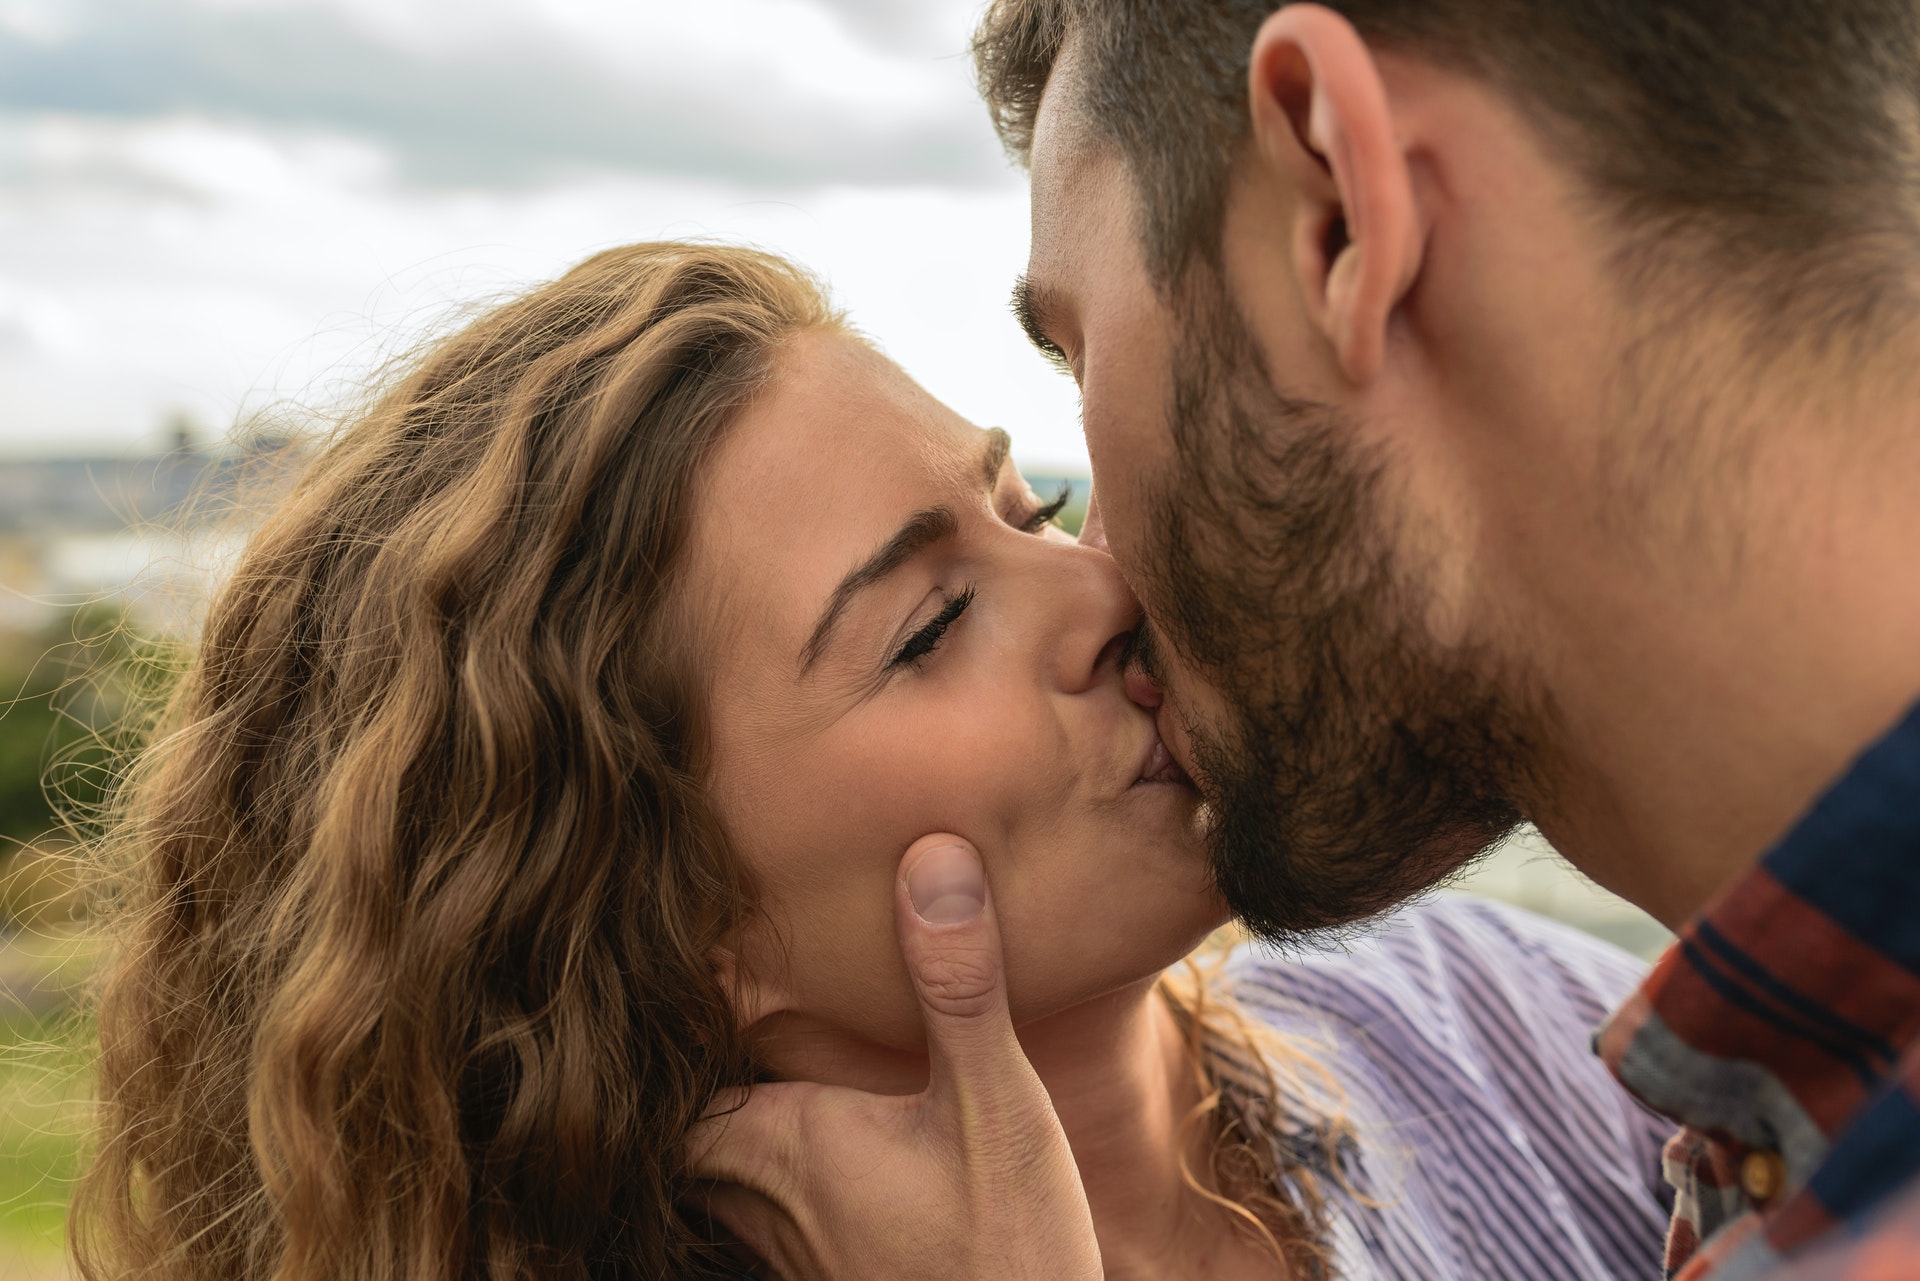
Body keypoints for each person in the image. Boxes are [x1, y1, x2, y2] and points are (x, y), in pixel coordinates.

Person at [74, 242, 1671, 1281]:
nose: (1107, 589)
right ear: (668, 921)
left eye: (1025, 509)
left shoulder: (1498, 1021)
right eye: (925, 627)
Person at [689, 2, 1920, 1279]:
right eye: (935, 622)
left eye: (1082, 352)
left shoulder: (1532, 1043)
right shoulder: (1755, 1121)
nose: (1101, 566)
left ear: (1336, 210)